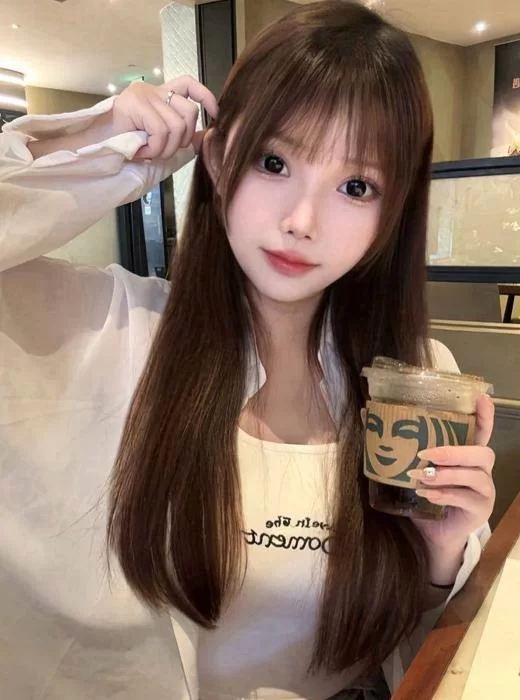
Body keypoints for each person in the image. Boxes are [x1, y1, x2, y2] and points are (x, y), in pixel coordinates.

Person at [0, 2, 496, 699]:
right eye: (274, 161)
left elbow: (420, 657)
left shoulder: (413, 385)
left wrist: (442, 556)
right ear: (218, 157)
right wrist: (98, 140)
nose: (301, 221)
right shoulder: (99, 328)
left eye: (356, 186)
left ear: (394, 211)